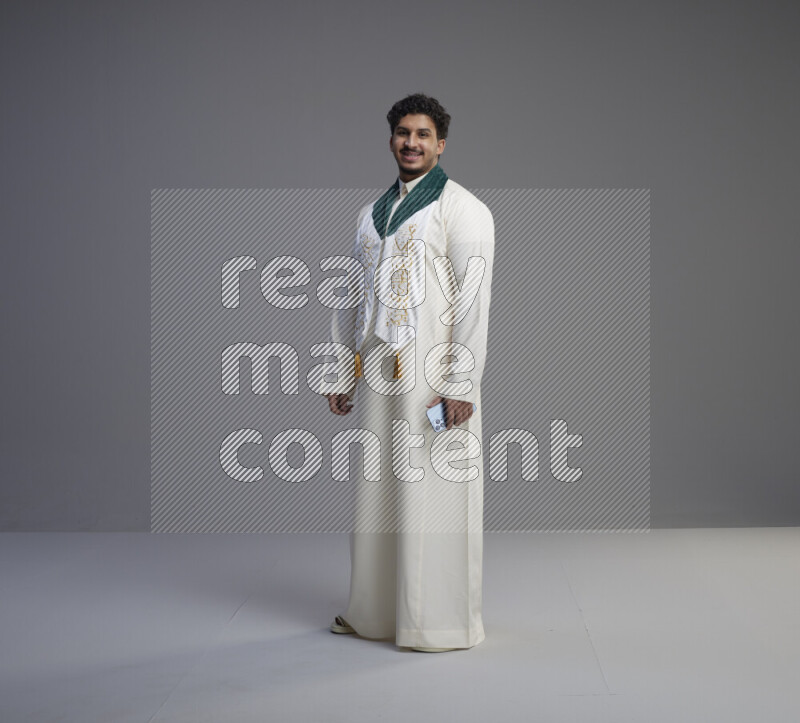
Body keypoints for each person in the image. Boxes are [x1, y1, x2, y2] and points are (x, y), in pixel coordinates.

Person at [322, 93, 495, 652]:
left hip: (432, 371)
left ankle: (435, 622)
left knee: (433, 491)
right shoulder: (371, 215)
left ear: (441, 143)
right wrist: (340, 370)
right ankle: (374, 613)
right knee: (377, 491)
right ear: (391, 139)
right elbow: (353, 293)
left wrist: (461, 383)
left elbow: (474, 300)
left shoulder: (462, 208)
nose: (411, 142)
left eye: (423, 134)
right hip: (378, 370)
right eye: (402, 132)